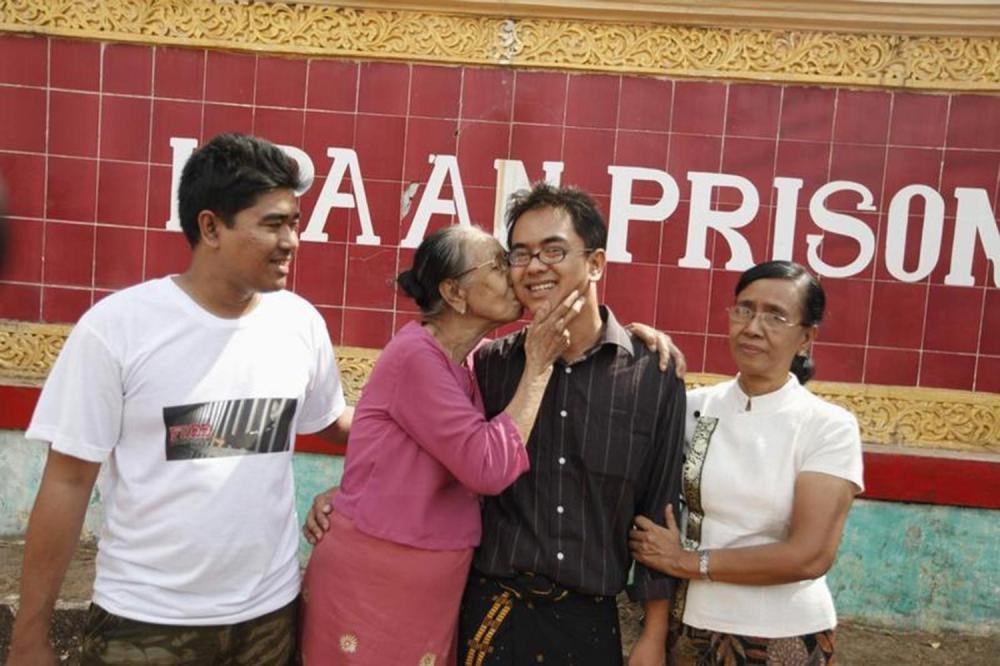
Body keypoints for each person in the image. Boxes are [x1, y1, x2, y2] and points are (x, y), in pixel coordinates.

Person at [8, 133, 352, 666]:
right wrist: (31, 635)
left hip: (268, 620)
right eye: (272, 224)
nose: (291, 242)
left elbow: (335, 424)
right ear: (211, 226)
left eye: (295, 224)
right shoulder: (118, 330)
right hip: (145, 624)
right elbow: (68, 480)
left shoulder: (299, 323)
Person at [299, 225, 586, 665]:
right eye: (498, 263)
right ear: (454, 292)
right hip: (374, 578)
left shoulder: (472, 358)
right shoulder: (416, 356)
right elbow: (487, 467)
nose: (513, 274)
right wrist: (538, 369)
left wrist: (637, 335)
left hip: (428, 585)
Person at [457, 183, 687, 666]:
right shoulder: (491, 367)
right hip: (493, 611)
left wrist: (653, 634)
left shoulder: (651, 375)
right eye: (520, 255)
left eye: (554, 250)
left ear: (596, 263)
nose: (536, 266)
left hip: (589, 623)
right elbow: (439, 459)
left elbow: (659, 507)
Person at [629, 260, 864, 665]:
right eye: (744, 309)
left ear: (806, 337)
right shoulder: (693, 408)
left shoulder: (827, 427)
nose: (753, 327)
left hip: (783, 635)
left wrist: (689, 561)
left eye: (776, 316)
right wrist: (631, 341)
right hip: (690, 626)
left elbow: (809, 555)